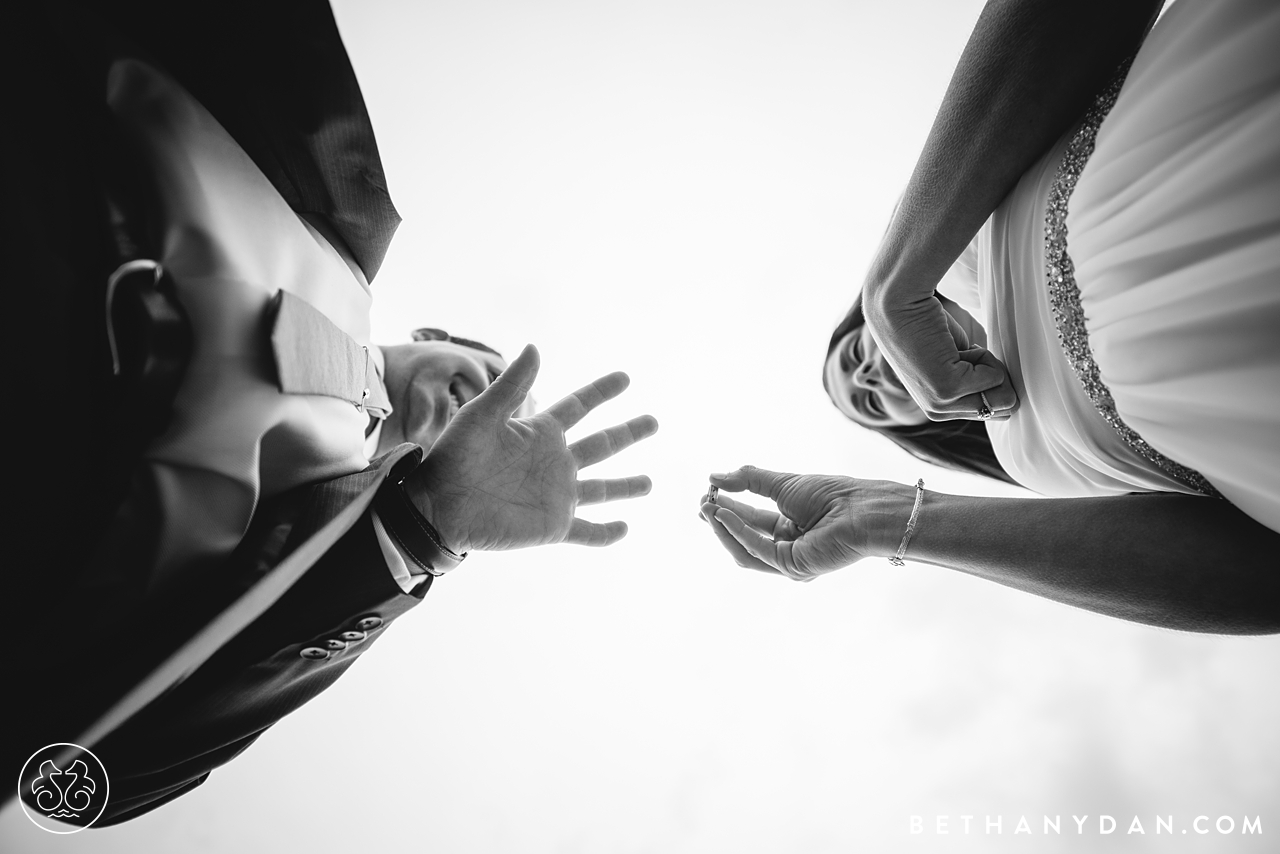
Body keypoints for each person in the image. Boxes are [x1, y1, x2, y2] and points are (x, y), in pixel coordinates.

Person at [7, 1, 656, 824]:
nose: (492, 411)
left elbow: (78, 788)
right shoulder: (334, 211)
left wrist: (424, 529)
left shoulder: (301, 571)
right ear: (432, 334)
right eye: (497, 381)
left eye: (511, 425)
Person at [699, 0, 1280, 634]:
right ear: (920, 428)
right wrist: (883, 518)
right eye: (868, 402)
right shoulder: (1029, 454)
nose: (866, 376)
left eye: (856, 353)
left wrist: (894, 283)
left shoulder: (957, 225)